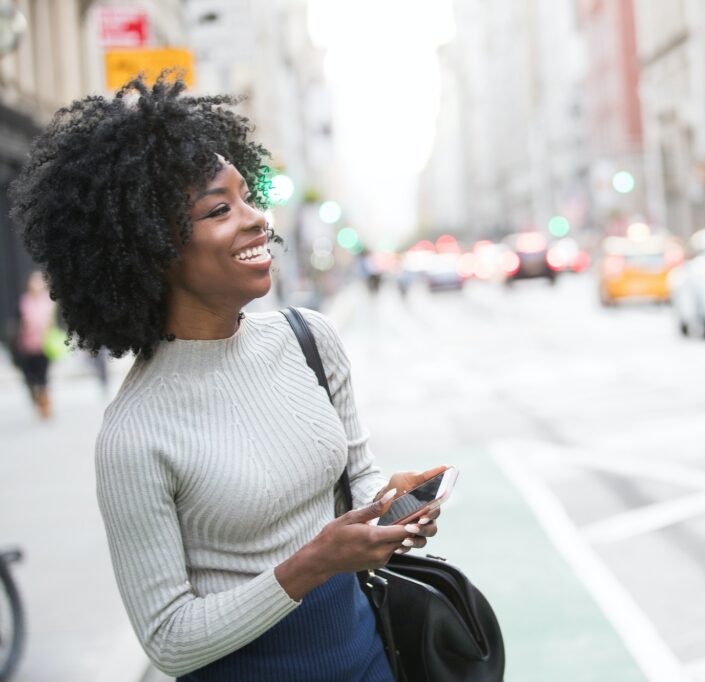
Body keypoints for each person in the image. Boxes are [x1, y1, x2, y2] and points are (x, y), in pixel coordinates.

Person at [9, 76, 444, 681]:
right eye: (220, 209)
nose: (256, 220)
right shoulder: (134, 434)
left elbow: (357, 472)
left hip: (372, 659)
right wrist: (312, 563)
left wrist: (387, 504)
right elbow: (169, 640)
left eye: (247, 197)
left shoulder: (309, 339)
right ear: (153, 249)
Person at [14, 271, 55, 418]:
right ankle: (36, 398)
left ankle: (45, 405)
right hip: (27, 345)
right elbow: (18, 323)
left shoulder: (49, 302)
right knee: (30, 377)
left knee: (43, 376)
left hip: (44, 345)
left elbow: (54, 323)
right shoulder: (24, 301)